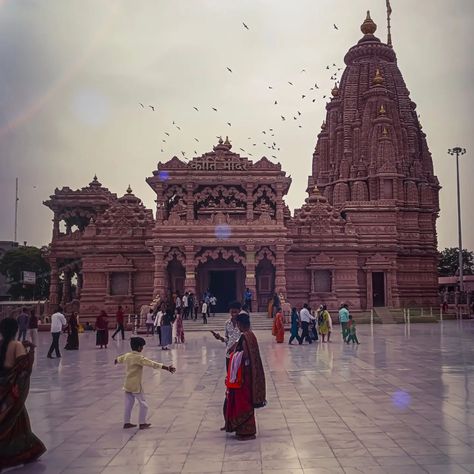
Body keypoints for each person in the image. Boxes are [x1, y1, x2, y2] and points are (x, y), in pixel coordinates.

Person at [0, 318, 46, 469]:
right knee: (14, 419)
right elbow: (24, 369)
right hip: (11, 391)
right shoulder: (16, 345)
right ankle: (18, 451)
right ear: (15, 330)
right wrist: (31, 350)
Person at [115, 336, 176, 430]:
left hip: (127, 385)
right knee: (144, 405)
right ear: (139, 347)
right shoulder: (139, 358)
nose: (142, 348)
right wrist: (167, 368)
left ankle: (126, 423)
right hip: (135, 386)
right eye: (142, 347)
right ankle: (142, 423)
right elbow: (152, 364)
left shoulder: (127, 355)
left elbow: (119, 359)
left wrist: (116, 360)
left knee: (128, 405)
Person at [225, 312, 266, 440]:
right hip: (249, 376)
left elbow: (245, 357)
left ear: (240, 324)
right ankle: (245, 429)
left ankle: (246, 431)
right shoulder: (251, 336)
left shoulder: (244, 337)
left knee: (242, 402)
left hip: (243, 377)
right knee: (245, 401)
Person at [211, 300, 242, 429]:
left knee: (239, 382)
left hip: (239, 357)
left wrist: (236, 345)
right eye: (232, 312)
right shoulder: (227, 324)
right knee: (230, 382)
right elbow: (227, 340)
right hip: (229, 356)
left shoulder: (243, 323)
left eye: (235, 311)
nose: (233, 314)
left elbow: (245, 337)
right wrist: (220, 338)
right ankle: (228, 419)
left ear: (239, 311)